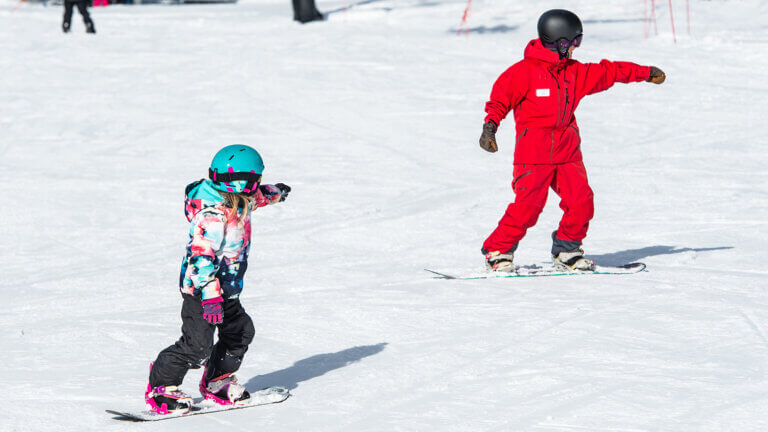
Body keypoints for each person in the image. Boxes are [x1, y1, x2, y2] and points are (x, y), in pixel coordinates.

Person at [478, 9, 666, 273]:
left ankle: (567, 250)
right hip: (534, 153)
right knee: (528, 207)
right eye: (574, 41)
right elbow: (499, 100)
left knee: (581, 202)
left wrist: (644, 72)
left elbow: (608, 71)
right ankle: (497, 250)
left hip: (567, 152)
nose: (577, 47)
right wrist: (490, 127)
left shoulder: (575, 73)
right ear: (560, 42)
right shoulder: (522, 73)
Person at [145, 145, 291, 415]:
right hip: (202, 291)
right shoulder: (212, 214)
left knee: (239, 332)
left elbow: (256, 197)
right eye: (248, 183)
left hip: (228, 289)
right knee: (197, 345)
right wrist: (210, 295)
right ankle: (161, 387)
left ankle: (217, 381)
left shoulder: (239, 198)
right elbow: (200, 259)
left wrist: (276, 193)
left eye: (251, 184)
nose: (250, 188)